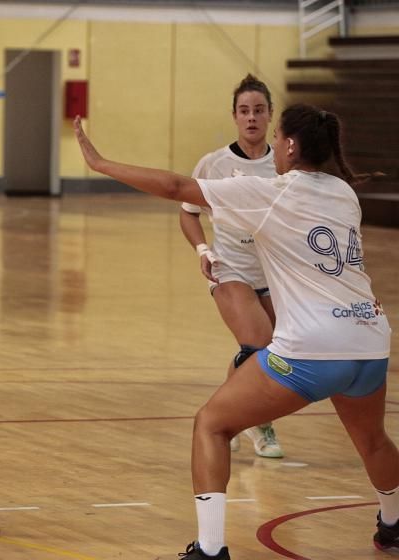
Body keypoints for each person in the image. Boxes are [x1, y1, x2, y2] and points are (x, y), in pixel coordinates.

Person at [74, 104, 395, 559]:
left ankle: (210, 549)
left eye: (278, 134)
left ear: (289, 145)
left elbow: (176, 188)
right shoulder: (344, 193)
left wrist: (101, 164)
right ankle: (394, 524)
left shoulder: (271, 193)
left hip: (313, 349)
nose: (273, 143)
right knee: (373, 441)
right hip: (369, 338)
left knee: (211, 424)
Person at [179, 74, 283, 458]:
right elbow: (188, 213)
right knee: (259, 344)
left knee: (272, 349)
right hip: (230, 268)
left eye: (258, 110)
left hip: (274, 273)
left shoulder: (283, 164)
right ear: (234, 116)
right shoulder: (214, 164)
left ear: (270, 115)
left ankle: (224, 414)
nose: (251, 117)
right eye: (244, 110)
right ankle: (260, 424)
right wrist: (202, 250)